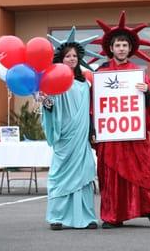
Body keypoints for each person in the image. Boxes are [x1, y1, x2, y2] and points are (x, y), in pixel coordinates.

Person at [91, 11, 150, 230]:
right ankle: (112, 216)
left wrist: (147, 94)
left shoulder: (138, 74)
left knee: (144, 173)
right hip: (111, 137)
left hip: (134, 137)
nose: (121, 49)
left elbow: (149, 107)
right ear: (111, 48)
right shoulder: (102, 72)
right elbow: (94, 105)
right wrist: (93, 128)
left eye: (125, 45)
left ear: (130, 49)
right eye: (117, 45)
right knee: (112, 175)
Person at [41, 28, 102, 230]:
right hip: (64, 137)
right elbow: (50, 106)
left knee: (84, 174)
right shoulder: (54, 82)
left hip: (81, 137)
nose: (72, 59)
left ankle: (85, 216)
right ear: (61, 58)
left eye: (75, 56)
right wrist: (48, 106)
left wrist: (92, 130)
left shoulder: (85, 84)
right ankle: (57, 217)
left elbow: (90, 110)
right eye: (68, 56)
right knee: (60, 175)